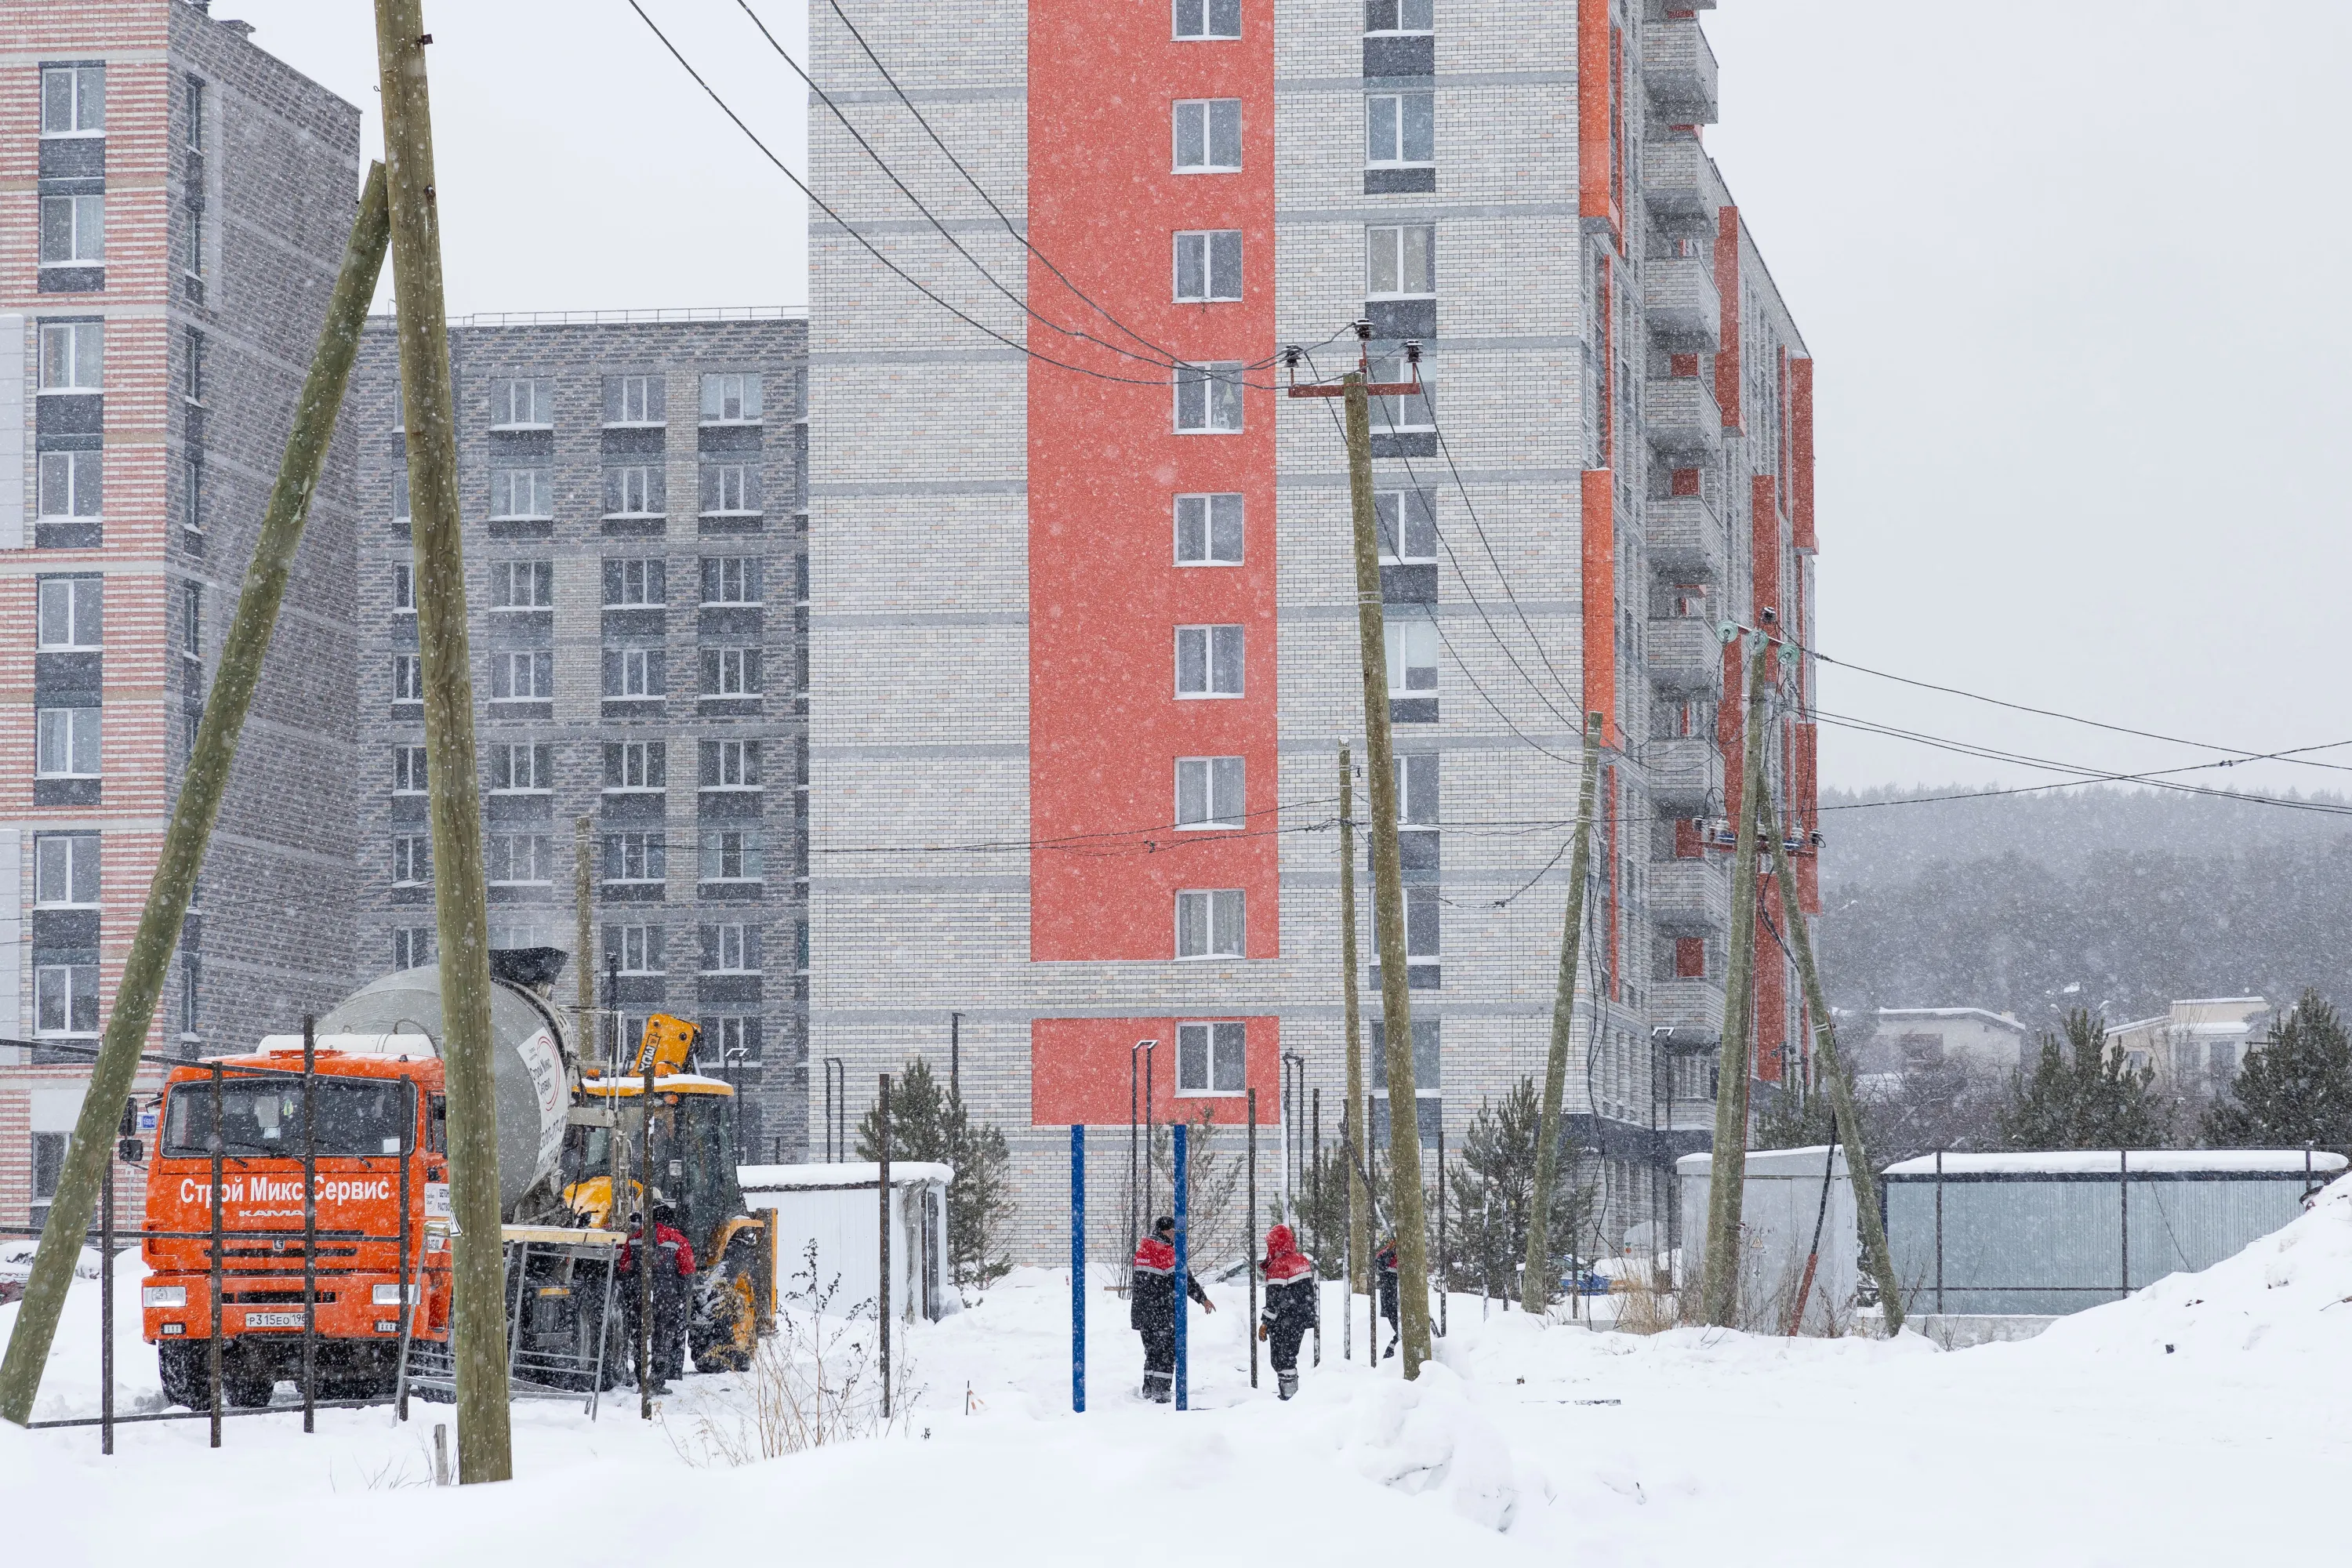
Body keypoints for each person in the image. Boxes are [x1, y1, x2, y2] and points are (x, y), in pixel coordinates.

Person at [1130, 1214, 1212, 1403]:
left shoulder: (1142, 1252)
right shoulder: (1165, 1253)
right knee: (1165, 1353)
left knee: (1151, 1352)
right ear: (1165, 1231)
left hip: (1143, 1313)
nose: (1175, 1235)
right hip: (1161, 1312)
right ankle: (1161, 1393)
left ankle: (1149, 1389)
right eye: (1173, 1231)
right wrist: (1203, 1299)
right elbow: (1184, 1281)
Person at [618, 1203, 696, 1389]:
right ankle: (657, 1380)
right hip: (666, 1296)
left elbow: (624, 1267)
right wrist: (682, 1295)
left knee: (640, 1335)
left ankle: (641, 1378)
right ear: (670, 1219)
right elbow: (688, 1270)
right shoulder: (678, 1239)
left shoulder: (636, 1238)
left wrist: (633, 1288)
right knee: (663, 1335)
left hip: (639, 1294)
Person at [1256, 1224, 1317, 1401]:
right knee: (1290, 1355)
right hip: (1300, 1319)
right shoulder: (1301, 1260)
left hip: (1284, 1320)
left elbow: (1274, 1301)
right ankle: (1291, 1393)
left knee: (1281, 1359)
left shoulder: (1278, 1265)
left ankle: (1289, 1396)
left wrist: (1265, 1323)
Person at [1376, 1235, 1400, 1359]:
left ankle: (1390, 1357)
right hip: (1391, 1303)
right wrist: (1390, 1250)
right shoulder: (1387, 1253)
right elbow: (1380, 1265)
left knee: (1401, 1333)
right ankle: (1389, 1357)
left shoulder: (1407, 1254)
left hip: (1402, 1303)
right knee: (1401, 1333)